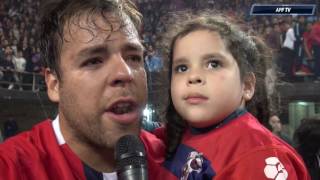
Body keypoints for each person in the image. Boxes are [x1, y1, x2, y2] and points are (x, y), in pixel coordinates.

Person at [0, 0, 165, 179]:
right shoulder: (11, 168)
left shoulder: (183, 164)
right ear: (54, 84)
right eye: (94, 61)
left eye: (133, 57)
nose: (125, 73)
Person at [158, 14, 310, 179]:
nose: (193, 76)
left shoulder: (257, 155)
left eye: (213, 64)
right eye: (181, 68)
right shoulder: (173, 138)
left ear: (247, 85)